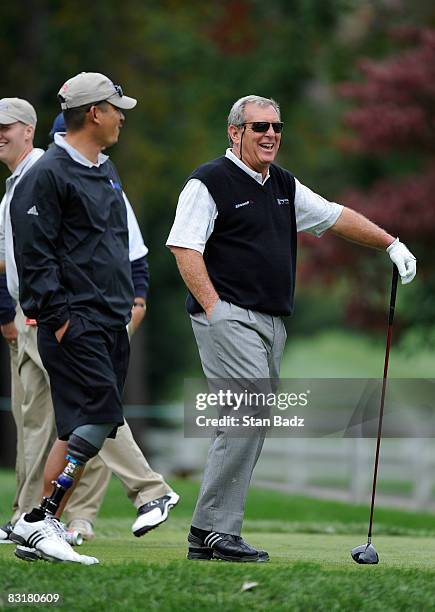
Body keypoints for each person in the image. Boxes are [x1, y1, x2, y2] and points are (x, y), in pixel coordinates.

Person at [167, 94, 417, 563]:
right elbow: (185, 248)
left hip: (271, 322)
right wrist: (215, 309)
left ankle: (207, 532)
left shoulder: (282, 184)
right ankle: (217, 531)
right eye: (260, 126)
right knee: (248, 413)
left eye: (277, 128)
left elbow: (334, 215)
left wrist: (390, 243)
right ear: (234, 132)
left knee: (250, 419)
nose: (270, 135)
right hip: (227, 315)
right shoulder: (208, 182)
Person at [8, 72, 173, 565]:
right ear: (94, 113)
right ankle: (43, 519)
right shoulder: (48, 173)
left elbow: (116, 247)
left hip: (108, 320)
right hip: (73, 322)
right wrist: (58, 319)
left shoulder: (104, 168)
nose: (123, 115)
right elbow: (34, 257)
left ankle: (35, 524)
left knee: (73, 426)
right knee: (100, 414)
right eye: (115, 107)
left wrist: (128, 304)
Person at [0, 99, 54, 544]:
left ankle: (148, 487)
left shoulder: (37, 176)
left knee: (89, 412)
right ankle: (26, 516)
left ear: (29, 130)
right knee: (32, 419)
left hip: (44, 312)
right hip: (25, 313)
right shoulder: (14, 183)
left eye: (6, 127)